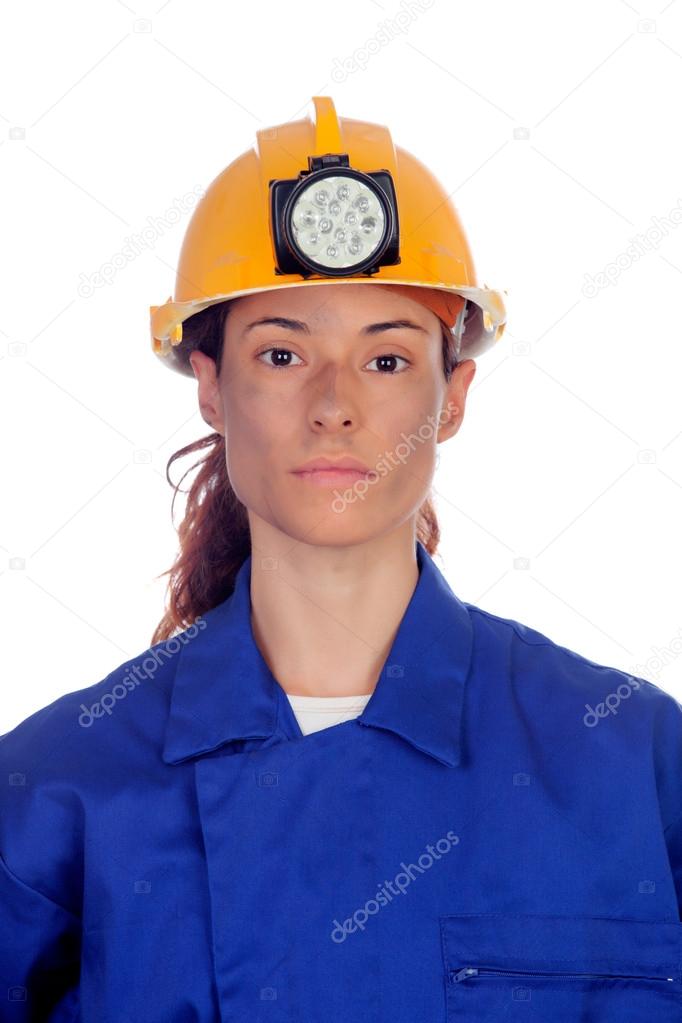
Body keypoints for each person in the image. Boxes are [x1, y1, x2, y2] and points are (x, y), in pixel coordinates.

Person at [2, 96, 681, 1022]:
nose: (334, 406)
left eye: (389, 360)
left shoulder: (633, 761)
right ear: (210, 388)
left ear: (453, 397)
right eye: (281, 354)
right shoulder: (55, 791)